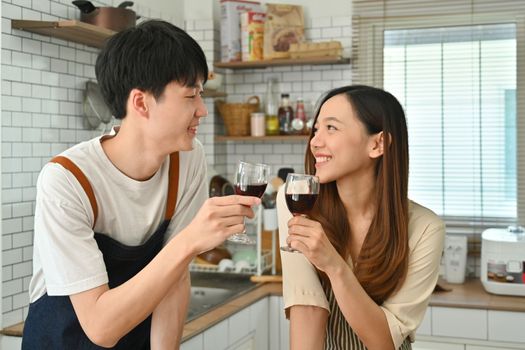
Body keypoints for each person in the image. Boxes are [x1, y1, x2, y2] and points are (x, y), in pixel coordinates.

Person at [22, 20, 260, 349]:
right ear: (140, 103)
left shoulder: (187, 159)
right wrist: (189, 242)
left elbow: (174, 279)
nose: (203, 111)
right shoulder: (67, 180)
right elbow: (100, 327)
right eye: (191, 95)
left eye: (201, 94)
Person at [278, 85, 445, 350]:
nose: (315, 141)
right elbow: (307, 307)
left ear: (377, 144)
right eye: (316, 129)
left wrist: (333, 264)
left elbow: (385, 342)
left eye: (331, 128)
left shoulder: (425, 229)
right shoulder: (297, 201)